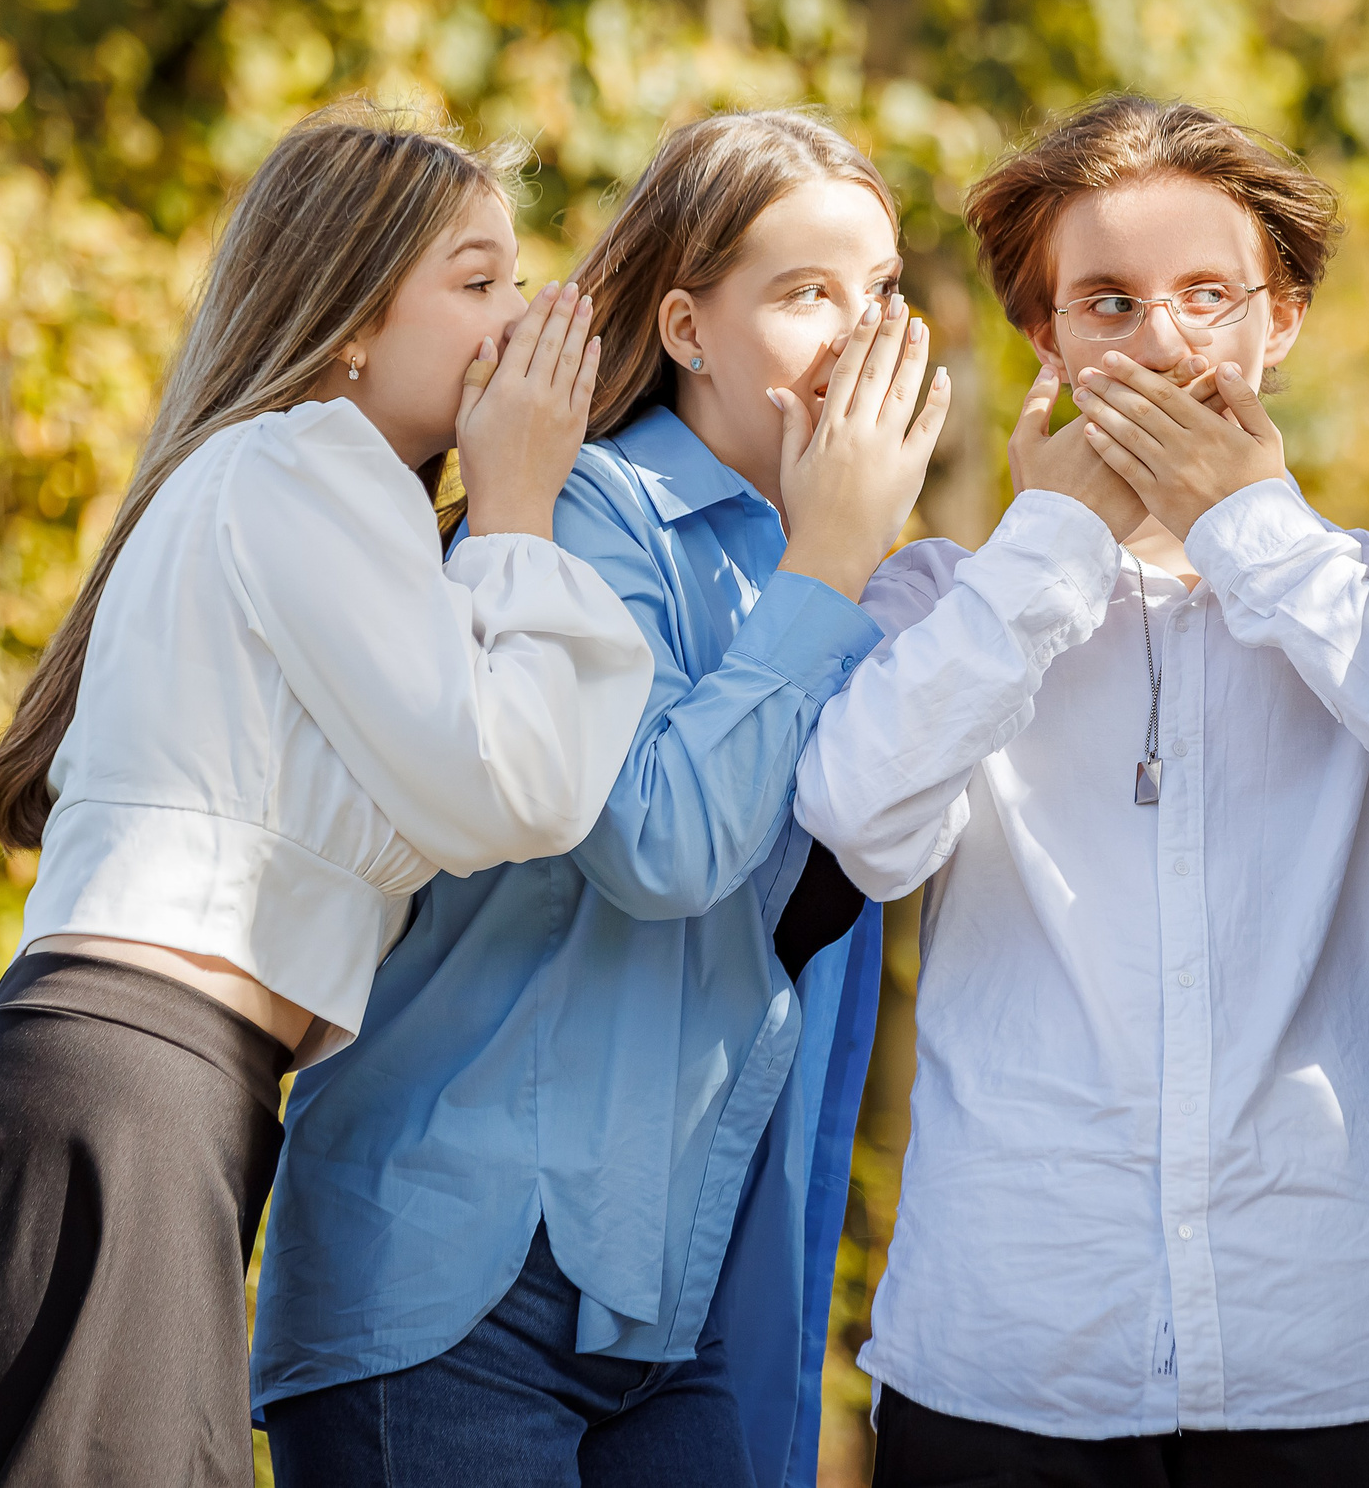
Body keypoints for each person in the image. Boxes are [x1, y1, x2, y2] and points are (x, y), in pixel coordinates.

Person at [0, 105, 655, 1488]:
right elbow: (516, 785)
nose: (519, 320)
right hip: (125, 1092)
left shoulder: (337, 510)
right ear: (349, 318)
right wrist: (520, 506)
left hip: (162, 1098)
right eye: (478, 281)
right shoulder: (296, 464)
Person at [791, 94, 1369, 1488]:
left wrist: (1257, 534)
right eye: (1110, 301)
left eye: (1208, 294)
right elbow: (865, 821)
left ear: (1282, 320)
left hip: (1331, 1342)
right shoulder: (948, 600)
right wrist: (1049, 549)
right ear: (1048, 337)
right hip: (1008, 1348)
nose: (1162, 341)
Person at [253, 111, 948, 1488]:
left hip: (663, 1301)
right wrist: (832, 559)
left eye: (882, 294)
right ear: (687, 327)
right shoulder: (583, 505)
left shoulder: (826, 563)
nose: (861, 334)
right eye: (809, 293)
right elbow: (660, 845)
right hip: (459, 1282)